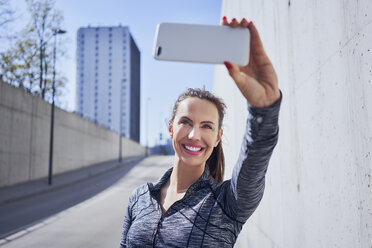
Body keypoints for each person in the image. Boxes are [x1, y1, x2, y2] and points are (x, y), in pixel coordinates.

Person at [120, 17, 282, 247]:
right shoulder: (139, 198)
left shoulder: (227, 203)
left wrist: (264, 108)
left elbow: (256, 157)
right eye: (186, 122)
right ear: (170, 128)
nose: (194, 135)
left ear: (217, 137)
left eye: (207, 126)